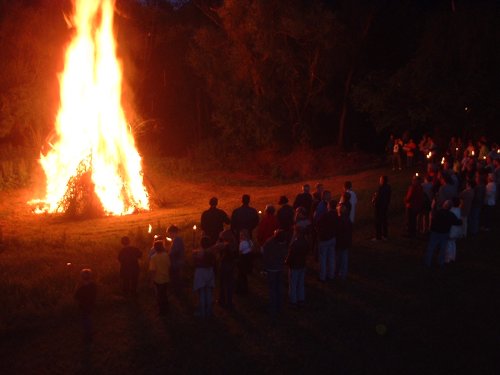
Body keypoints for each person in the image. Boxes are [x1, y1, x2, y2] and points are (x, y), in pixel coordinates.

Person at [424, 200, 462, 267]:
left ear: (443, 205)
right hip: (444, 234)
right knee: (442, 249)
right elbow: (458, 222)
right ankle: (440, 263)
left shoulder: (437, 212)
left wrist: (431, 229)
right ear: (450, 208)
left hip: (435, 232)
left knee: (431, 248)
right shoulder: (451, 215)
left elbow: (432, 220)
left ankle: (427, 262)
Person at [262, 229, 288, 320]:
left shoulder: (269, 244)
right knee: (279, 288)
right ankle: (279, 307)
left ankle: (273, 309)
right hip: (279, 268)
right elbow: (285, 254)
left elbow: (265, 256)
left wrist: (265, 268)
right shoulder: (282, 243)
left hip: (272, 269)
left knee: (273, 289)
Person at [192, 236, 216, 318]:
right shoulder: (211, 252)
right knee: (208, 292)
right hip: (209, 271)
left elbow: (195, 262)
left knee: (202, 292)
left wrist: (194, 256)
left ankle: (203, 312)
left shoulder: (199, 253)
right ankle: (209, 311)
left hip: (201, 272)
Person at [214, 229, 238, 309]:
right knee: (229, 284)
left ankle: (222, 300)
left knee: (223, 283)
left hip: (224, 265)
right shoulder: (234, 244)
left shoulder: (224, 245)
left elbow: (215, 248)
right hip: (231, 265)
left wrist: (219, 240)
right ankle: (229, 301)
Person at [316, 199, 338, 281]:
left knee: (323, 259)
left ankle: (322, 277)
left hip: (324, 239)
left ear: (329, 205)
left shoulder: (326, 215)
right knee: (331, 258)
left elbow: (318, 224)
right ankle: (331, 275)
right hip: (332, 238)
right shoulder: (336, 215)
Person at [286, 225, 308, 308]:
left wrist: (287, 262)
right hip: (302, 264)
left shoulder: (295, 243)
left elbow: (291, 255)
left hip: (294, 266)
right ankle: (301, 299)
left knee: (293, 283)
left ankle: (293, 300)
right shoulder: (305, 242)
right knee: (301, 283)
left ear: (297, 232)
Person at [74, 268, 97, 343]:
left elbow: (76, 296)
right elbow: (95, 294)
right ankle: (89, 332)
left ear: (81, 277)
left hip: (83, 305)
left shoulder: (81, 287)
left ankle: (87, 334)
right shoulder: (93, 285)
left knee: (85, 319)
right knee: (88, 318)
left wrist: (77, 287)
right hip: (91, 304)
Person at [149, 239, 170, 316]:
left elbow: (152, 270)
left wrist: (151, 281)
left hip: (157, 279)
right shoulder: (166, 255)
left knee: (159, 295)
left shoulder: (153, 257)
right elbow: (169, 265)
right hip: (166, 278)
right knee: (164, 294)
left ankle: (161, 310)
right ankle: (166, 308)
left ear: (154, 248)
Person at [336, 203, 352, 281]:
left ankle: (338, 272)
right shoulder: (348, 219)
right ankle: (344, 274)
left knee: (339, 257)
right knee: (345, 257)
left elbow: (337, 231)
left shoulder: (339, 220)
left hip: (340, 241)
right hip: (346, 241)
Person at [166, 225, 185, 295]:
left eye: (170, 233)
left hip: (176, 263)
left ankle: (178, 292)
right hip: (177, 262)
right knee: (176, 277)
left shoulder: (177, 240)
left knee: (176, 278)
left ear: (173, 232)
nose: (169, 235)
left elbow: (175, 251)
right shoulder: (176, 240)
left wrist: (168, 254)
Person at [372, 176, 391, 241]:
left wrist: (374, 199)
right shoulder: (388, 187)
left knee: (378, 222)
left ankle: (378, 236)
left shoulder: (380, 188)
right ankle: (385, 235)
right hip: (385, 206)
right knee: (384, 221)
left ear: (382, 180)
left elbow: (378, 197)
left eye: (380, 180)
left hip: (379, 207)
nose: (379, 181)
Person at [236, 229, 253, 294]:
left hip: (242, 259)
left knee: (241, 274)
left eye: (241, 235)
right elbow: (252, 249)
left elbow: (240, 252)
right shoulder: (250, 241)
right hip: (248, 259)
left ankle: (241, 289)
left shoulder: (242, 243)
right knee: (244, 274)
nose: (240, 236)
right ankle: (245, 288)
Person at [446, 197, 462, 263]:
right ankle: (452, 257)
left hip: (451, 230)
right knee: (453, 243)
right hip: (457, 230)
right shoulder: (459, 210)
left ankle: (447, 259)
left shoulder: (451, 211)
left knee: (448, 244)